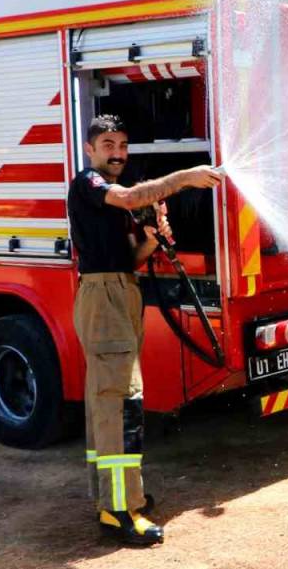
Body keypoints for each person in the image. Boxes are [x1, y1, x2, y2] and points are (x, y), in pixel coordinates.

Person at [70, 115, 223, 545]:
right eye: (107, 145)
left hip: (120, 292)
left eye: (122, 145)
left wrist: (154, 240)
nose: (117, 153)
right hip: (104, 298)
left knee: (112, 402)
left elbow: (129, 259)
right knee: (121, 404)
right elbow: (134, 195)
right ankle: (120, 510)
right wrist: (186, 178)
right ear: (90, 149)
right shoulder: (89, 184)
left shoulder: (110, 199)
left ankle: (112, 499)